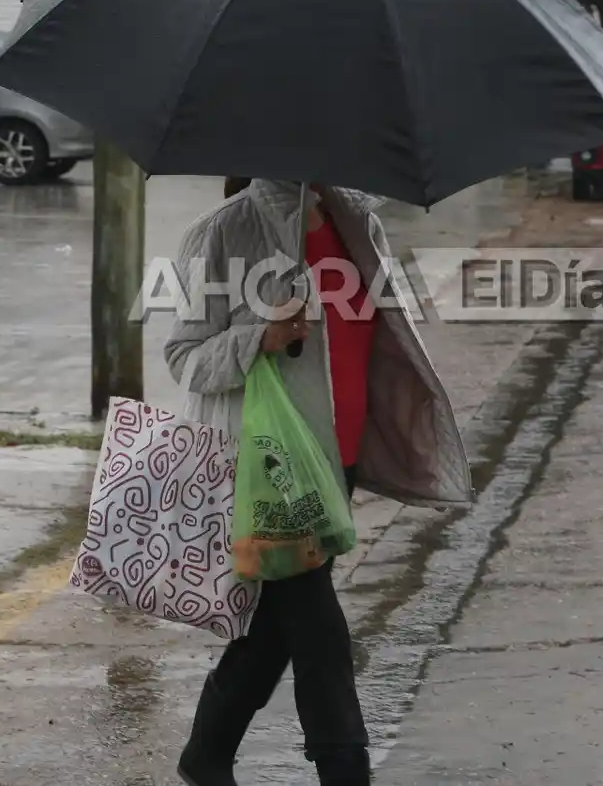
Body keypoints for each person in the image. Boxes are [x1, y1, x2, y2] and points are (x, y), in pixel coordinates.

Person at [160, 177, 473, 786]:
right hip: (272, 466)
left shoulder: (358, 221)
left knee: (278, 624)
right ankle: (345, 768)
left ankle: (206, 753)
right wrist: (262, 336)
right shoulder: (224, 231)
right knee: (318, 627)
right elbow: (184, 357)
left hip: (338, 459)